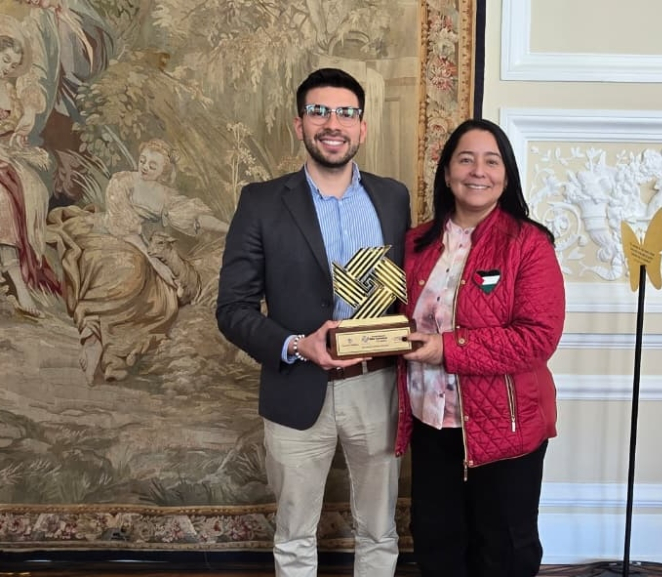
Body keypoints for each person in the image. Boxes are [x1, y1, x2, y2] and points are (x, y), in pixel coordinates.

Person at [216, 68, 410, 577]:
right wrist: (297, 345)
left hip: (378, 386)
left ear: (361, 127)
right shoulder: (261, 202)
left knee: (380, 531)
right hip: (297, 387)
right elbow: (231, 309)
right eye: (319, 111)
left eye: (346, 112)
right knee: (296, 536)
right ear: (299, 124)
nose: (333, 122)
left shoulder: (393, 198)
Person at [395, 118, 566, 577]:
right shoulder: (416, 244)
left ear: (506, 175)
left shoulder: (530, 244)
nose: (478, 171)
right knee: (437, 543)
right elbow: (394, 319)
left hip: (506, 428)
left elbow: (537, 338)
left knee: (505, 550)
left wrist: (445, 349)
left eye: (491, 161)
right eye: (465, 159)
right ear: (447, 172)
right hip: (431, 423)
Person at [47, 138, 228, 383]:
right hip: (105, 234)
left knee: (162, 298)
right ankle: (92, 336)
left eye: (153, 165)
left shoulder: (165, 195)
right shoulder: (122, 181)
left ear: (163, 171)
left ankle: (110, 347)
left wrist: (230, 228)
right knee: (126, 268)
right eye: (143, 161)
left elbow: (195, 218)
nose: (144, 167)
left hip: (137, 245)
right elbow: (124, 230)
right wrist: (156, 264)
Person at [0, 28, 61, 316]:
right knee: (3, 200)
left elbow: (10, 131)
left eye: (13, 65)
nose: (8, 68)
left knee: (33, 187)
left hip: (3, 155)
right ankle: (17, 283)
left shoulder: (10, 90)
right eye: (5, 60)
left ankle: (19, 278)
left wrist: (18, 140)